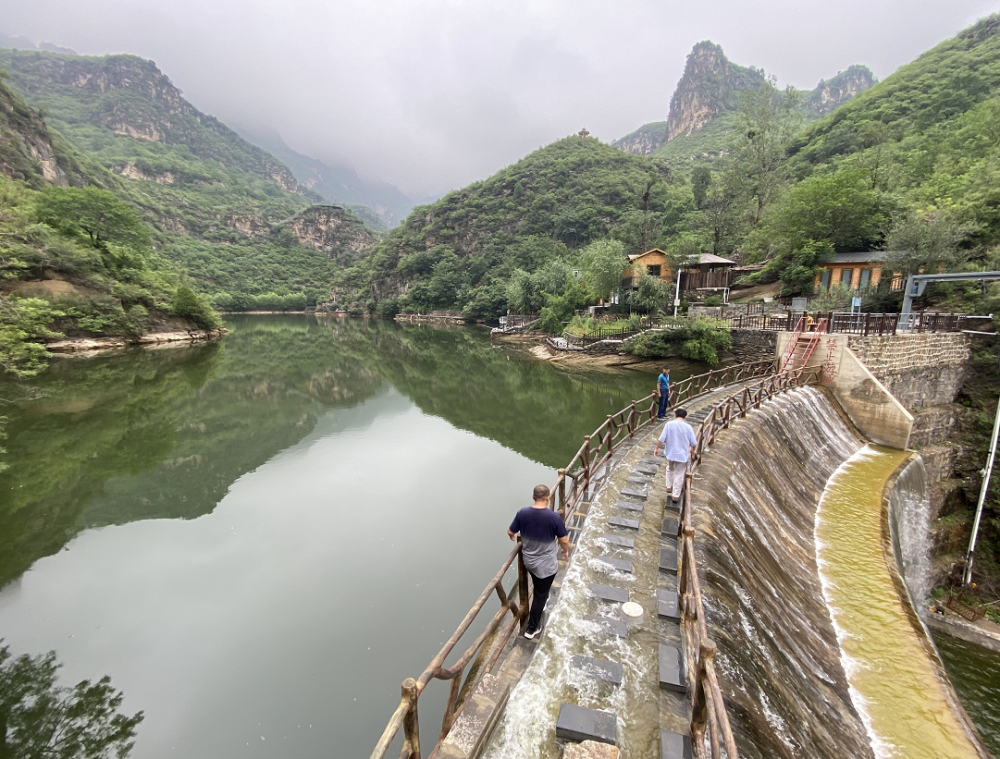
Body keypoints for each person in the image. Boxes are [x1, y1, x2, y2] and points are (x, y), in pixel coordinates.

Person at [507, 484, 569, 639]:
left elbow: (510, 531)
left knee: (539, 586)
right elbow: (564, 540)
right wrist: (565, 550)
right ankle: (532, 629)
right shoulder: (554, 517)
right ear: (548, 498)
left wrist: (513, 537)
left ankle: (543, 596)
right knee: (540, 596)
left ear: (533, 497)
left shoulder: (522, 513)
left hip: (529, 562)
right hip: (546, 565)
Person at [653, 408, 698, 505]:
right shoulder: (688, 427)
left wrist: (656, 448)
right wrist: (692, 449)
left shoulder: (669, 424)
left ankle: (669, 486)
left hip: (670, 453)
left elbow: (661, 438)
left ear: (675, 415)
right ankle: (675, 495)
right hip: (682, 455)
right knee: (679, 473)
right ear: (684, 417)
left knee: (670, 468)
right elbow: (693, 442)